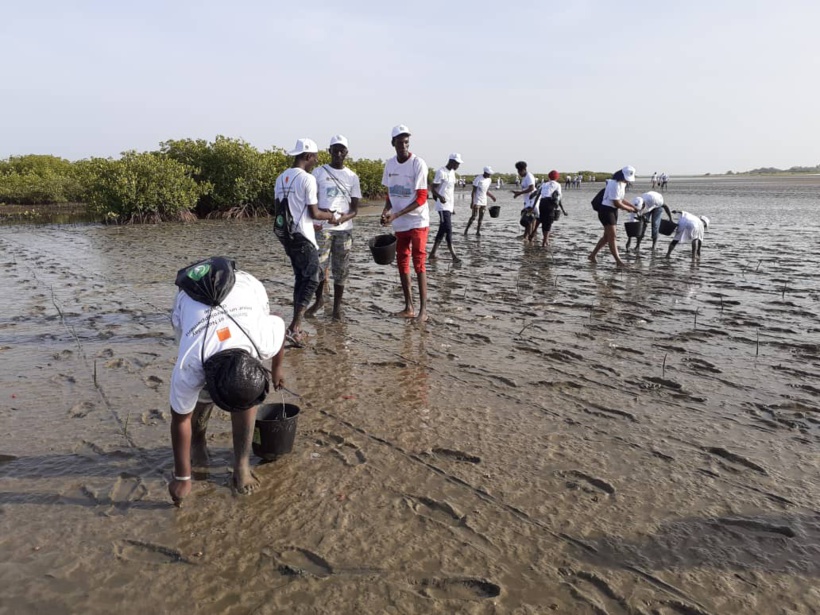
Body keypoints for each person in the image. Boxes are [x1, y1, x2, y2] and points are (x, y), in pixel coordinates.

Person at [168, 257, 285, 505]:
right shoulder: (190, 364)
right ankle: (198, 441)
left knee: (244, 393)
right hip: (191, 296)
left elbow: (278, 322)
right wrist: (182, 477)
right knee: (200, 397)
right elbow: (180, 419)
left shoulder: (262, 341)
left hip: (244, 287)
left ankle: (241, 464)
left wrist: (277, 368)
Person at [273, 138, 340, 346]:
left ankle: (297, 324)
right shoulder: (307, 179)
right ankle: (295, 328)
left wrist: (312, 224)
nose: (316, 162)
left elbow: (281, 210)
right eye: (315, 158)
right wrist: (330, 216)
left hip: (287, 236)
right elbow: (314, 212)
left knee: (302, 277)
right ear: (308, 156)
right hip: (303, 237)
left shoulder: (280, 178)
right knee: (311, 278)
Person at [306, 135, 361, 322]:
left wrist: (343, 218)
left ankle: (337, 308)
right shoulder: (318, 173)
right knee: (319, 267)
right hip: (322, 229)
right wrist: (317, 219)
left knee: (341, 269)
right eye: (335, 150)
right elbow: (311, 202)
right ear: (329, 151)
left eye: (341, 151)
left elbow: (354, 210)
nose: (338, 154)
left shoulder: (352, 177)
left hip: (344, 230)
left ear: (346, 153)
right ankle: (319, 300)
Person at [381, 124, 430, 322]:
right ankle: (409, 307)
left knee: (419, 261)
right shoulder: (390, 165)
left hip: (417, 220)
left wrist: (396, 214)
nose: (403, 146)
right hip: (399, 222)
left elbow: (422, 197)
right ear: (393, 143)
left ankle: (423, 311)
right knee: (402, 260)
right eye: (400, 142)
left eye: (406, 142)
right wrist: (386, 211)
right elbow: (389, 194)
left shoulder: (418, 164)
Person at [588, 166, 639, 267]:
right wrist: (629, 209)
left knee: (607, 237)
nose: (627, 180)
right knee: (613, 236)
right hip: (606, 211)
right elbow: (617, 203)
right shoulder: (614, 184)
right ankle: (618, 261)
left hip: (613, 211)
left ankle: (592, 256)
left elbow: (621, 199)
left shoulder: (622, 183)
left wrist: (633, 206)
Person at [429, 152, 462, 261]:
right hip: (442, 207)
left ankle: (432, 253)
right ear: (451, 161)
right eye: (457, 163)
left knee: (442, 230)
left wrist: (452, 207)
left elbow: (450, 191)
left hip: (449, 206)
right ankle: (454, 255)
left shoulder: (452, 173)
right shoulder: (441, 172)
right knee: (448, 229)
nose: (458, 166)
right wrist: (439, 197)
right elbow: (433, 189)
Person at [463, 166, 497, 237]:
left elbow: (486, 191)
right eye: (489, 173)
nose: (490, 175)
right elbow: (473, 191)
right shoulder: (478, 179)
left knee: (481, 217)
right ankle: (466, 230)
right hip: (477, 200)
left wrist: (492, 196)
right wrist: (472, 202)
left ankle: (478, 231)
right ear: (485, 172)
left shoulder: (489, 180)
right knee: (474, 216)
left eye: (490, 174)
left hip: (484, 201)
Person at [538, 170, 567, 247]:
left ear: (549, 177)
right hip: (550, 204)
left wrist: (534, 206)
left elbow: (538, 194)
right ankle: (545, 242)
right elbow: (558, 198)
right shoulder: (557, 185)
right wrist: (563, 210)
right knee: (548, 222)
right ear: (557, 178)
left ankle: (545, 240)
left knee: (543, 221)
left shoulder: (544, 184)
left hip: (542, 203)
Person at [513, 161, 537, 241]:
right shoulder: (525, 177)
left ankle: (528, 237)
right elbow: (526, 189)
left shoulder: (529, 176)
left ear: (524, 169)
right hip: (528, 201)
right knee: (531, 219)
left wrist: (519, 193)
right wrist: (518, 193)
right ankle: (529, 236)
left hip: (532, 201)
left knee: (528, 219)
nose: (519, 173)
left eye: (519, 171)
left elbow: (531, 188)